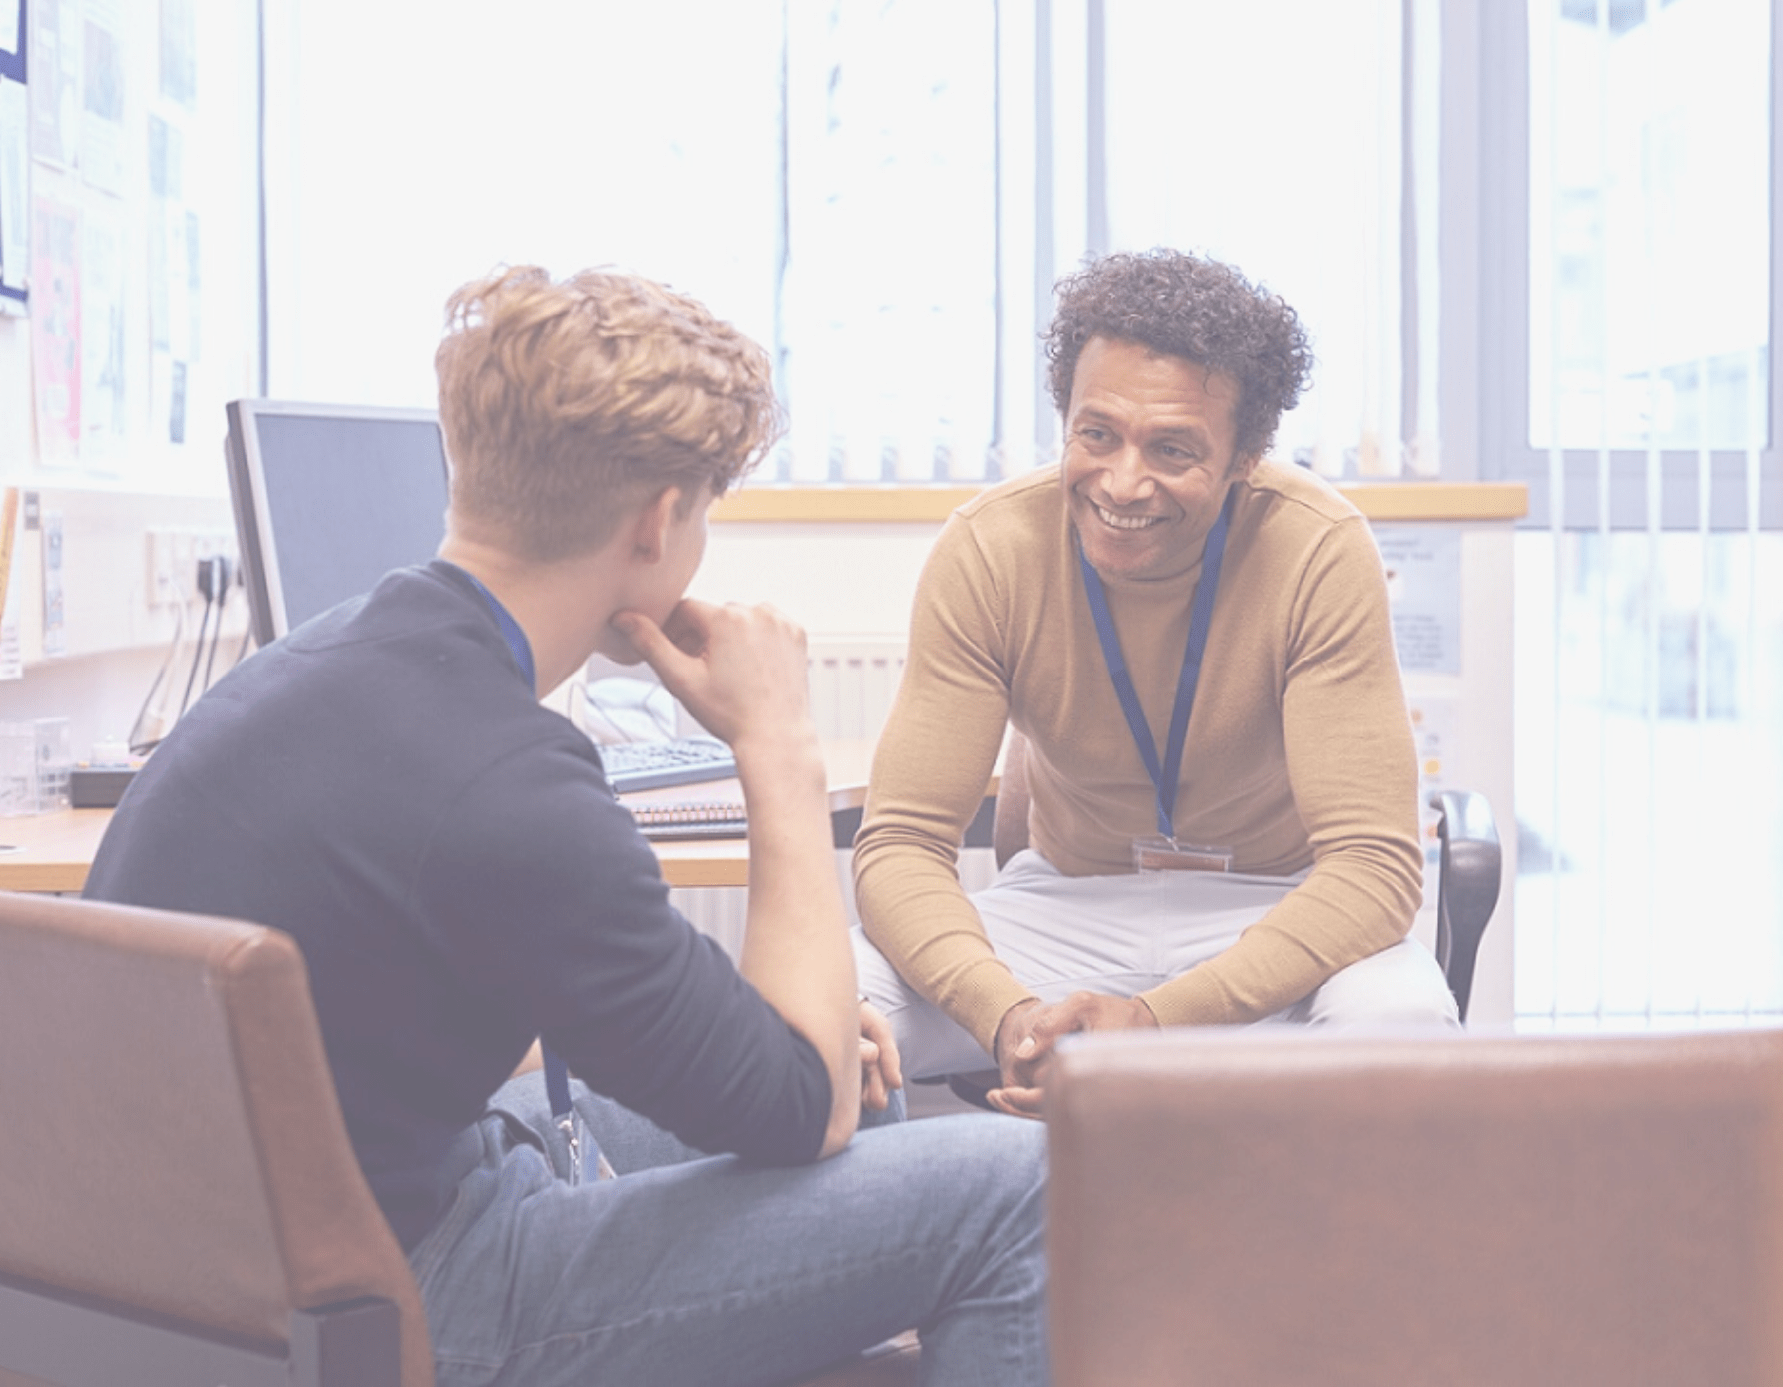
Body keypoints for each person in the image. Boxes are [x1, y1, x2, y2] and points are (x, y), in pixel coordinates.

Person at [86, 265, 1048, 1387]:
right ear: (657, 523)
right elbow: (799, 1109)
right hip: (400, 1300)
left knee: (875, 1105)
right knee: (1024, 1182)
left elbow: (759, 1064)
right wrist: (775, 744)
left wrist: (809, 1057)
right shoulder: (509, 784)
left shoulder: (324, 662)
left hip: (241, 1257)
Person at [853, 249, 1457, 1118]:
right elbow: (902, 845)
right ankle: (921, 1242)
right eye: (1097, 433)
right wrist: (1011, 1019)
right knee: (827, 1004)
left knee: (1402, 1024)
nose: (1123, 482)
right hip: (1065, 909)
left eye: (1172, 448)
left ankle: (1315, 1258)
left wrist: (1158, 1020)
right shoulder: (990, 549)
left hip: (1272, 908)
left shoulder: (1318, 549)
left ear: (1245, 455)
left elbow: (1373, 869)